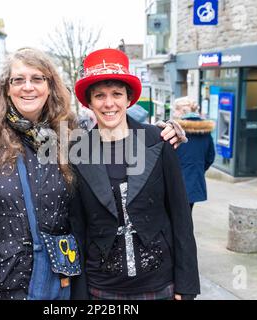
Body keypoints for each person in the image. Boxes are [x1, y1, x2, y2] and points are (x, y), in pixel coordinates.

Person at [0, 47, 185, 301]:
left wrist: (162, 134)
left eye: (37, 79)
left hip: (56, 282)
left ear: (50, 86)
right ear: (6, 88)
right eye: (19, 79)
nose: (28, 87)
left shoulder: (67, 136)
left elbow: (113, 141)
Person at [70, 48, 200, 300]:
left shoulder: (159, 141)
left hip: (159, 283)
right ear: (89, 102)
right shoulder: (77, 151)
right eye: (100, 96)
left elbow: (181, 217)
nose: (109, 103)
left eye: (117, 94)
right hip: (102, 287)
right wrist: (80, 293)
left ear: (129, 99)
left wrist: (187, 283)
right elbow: (78, 227)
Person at [172, 97, 215, 213]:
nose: (174, 113)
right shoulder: (205, 132)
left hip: (174, 182)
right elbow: (210, 157)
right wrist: (198, 168)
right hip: (195, 180)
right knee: (187, 215)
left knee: (173, 217)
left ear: (182, 111)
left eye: (175, 109)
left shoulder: (174, 131)